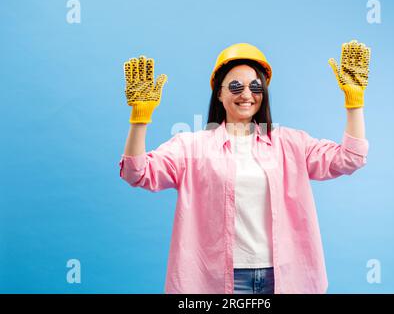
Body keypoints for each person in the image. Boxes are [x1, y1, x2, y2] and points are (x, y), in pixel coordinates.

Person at [119, 41, 370, 294]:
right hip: (215, 279)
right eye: (236, 86)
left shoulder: (291, 143)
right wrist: (140, 119)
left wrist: (354, 103)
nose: (247, 94)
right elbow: (136, 173)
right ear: (219, 93)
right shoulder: (191, 147)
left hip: (283, 277)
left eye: (256, 86)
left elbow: (350, 158)